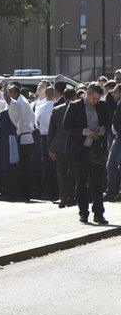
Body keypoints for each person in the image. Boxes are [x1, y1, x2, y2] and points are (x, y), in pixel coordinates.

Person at [62, 84, 110, 225]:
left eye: (98, 99)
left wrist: (103, 129)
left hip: (96, 149)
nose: (96, 101)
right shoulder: (75, 106)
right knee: (81, 183)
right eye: (94, 98)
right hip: (80, 150)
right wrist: (83, 131)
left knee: (97, 183)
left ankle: (99, 214)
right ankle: (83, 213)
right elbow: (66, 126)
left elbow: (107, 121)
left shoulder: (101, 106)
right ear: (87, 93)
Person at [47, 86, 74, 208]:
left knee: (61, 173)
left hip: (59, 145)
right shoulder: (78, 109)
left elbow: (51, 131)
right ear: (74, 96)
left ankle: (63, 197)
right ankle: (72, 197)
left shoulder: (56, 109)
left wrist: (50, 148)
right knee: (73, 172)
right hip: (74, 146)